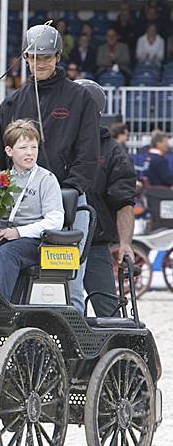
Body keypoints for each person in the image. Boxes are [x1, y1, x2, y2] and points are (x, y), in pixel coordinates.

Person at [0, 24, 100, 314]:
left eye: (47, 57)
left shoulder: (79, 98)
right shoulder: (13, 102)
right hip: (22, 203)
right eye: (34, 57)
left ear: (58, 57)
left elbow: (88, 151)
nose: (40, 62)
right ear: (25, 58)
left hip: (69, 201)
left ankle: (74, 330)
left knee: (71, 284)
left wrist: (70, 191)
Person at [0, 120, 64, 301]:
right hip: (3, 238)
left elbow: (55, 221)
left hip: (35, 242)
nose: (30, 153)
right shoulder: (1, 179)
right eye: (23, 148)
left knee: (8, 253)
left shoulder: (47, 179)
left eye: (34, 147)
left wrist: (19, 232)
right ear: (9, 151)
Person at [75, 80, 137, 317]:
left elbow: (124, 201)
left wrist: (125, 243)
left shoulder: (113, 152)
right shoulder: (52, 144)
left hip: (95, 244)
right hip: (55, 243)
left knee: (108, 313)